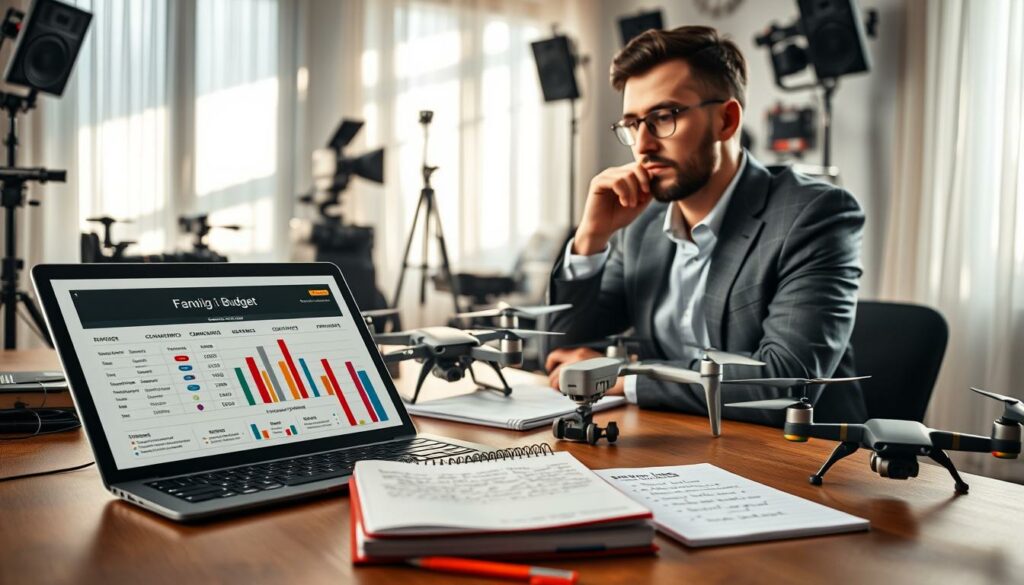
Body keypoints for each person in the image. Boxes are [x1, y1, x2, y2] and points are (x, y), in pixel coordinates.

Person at [544, 25, 867, 425]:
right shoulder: (641, 225)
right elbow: (561, 352)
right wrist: (590, 238)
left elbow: (785, 383)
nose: (643, 145)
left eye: (663, 117)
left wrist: (626, 376)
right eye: (633, 124)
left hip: (797, 452)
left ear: (726, 121)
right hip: (675, 440)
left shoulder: (815, 214)